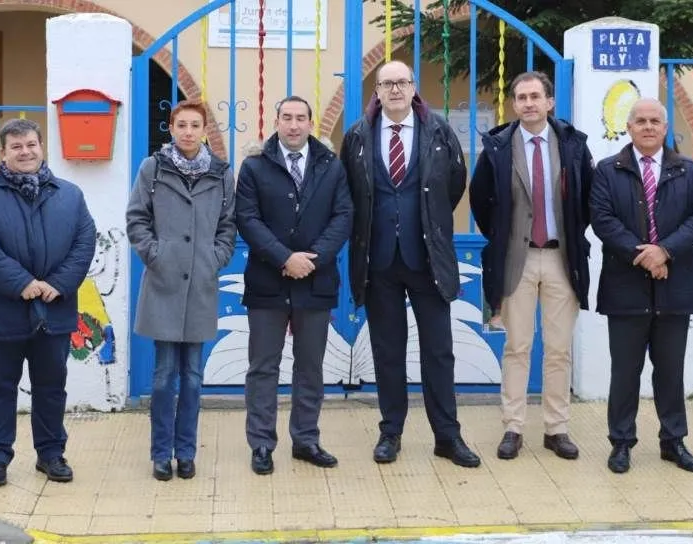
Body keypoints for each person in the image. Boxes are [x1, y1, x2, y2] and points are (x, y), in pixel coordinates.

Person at [340, 60, 480, 468]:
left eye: (402, 82)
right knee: (388, 351)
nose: (395, 89)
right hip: (379, 260)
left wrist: (430, 223)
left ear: (413, 86)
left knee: (439, 351)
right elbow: (351, 192)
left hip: (427, 261)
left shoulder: (438, 130)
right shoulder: (358, 136)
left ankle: (447, 436)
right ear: (377, 91)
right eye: (387, 84)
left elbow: (454, 183)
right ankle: (391, 433)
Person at [0, 118, 96, 487]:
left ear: (41, 147)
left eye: (31, 144)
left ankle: (51, 454)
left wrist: (59, 283)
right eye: (16, 147)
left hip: (55, 309)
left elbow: (85, 242)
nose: (26, 152)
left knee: (51, 387)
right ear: (3, 153)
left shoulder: (69, 194)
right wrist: (22, 283)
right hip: (2, 311)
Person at [469, 71, 594, 461]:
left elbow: (587, 197)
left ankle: (557, 429)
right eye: (521, 97)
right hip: (516, 259)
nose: (528, 103)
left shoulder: (572, 145)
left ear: (549, 101)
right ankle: (513, 427)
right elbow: (480, 199)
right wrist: (507, 234)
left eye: (535, 96)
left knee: (558, 349)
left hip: (561, 257)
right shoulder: (498, 147)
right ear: (514, 104)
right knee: (517, 346)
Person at [589, 98, 693, 474]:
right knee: (625, 371)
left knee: (670, 370)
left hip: (675, 285)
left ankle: (673, 441)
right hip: (626, 285)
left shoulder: (687, 170)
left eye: (655, 121)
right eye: (640, 120)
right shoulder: (609, 170)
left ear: (665, 126)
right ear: (628, 127)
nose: (648, 127)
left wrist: (665, 252)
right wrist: (643, 255)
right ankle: (621, 442)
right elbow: (602, 219)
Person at [236, 96, 353, 475]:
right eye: (286, 118)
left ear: (310, 122)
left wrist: (312, 259)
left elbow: (343, 216)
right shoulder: (254, 166)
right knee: (263, 367)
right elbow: (247, 219)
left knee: (310, 366)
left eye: (300, 118)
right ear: (276, 121)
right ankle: (261, 444)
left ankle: (305, 439)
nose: (293, 125)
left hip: (315, 282)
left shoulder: (331, 166)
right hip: (268, 281)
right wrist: (285, 258)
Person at [127, 99, 237, 481]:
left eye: (195, 125)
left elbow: (228, 224)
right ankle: (161, 453)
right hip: (163, 282)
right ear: (171, 129)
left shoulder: (222, 173)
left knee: (192, 376)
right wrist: (155, 255)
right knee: (163, 376)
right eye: (181, 125)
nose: (188, 132)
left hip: (201, 285)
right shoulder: (153, 169)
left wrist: (215, 257)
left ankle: (186, 452)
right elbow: (137, 218)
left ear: (205, 130)